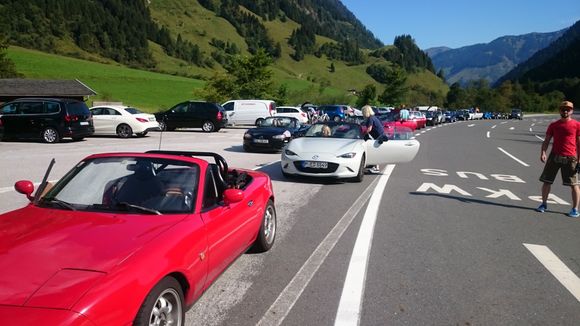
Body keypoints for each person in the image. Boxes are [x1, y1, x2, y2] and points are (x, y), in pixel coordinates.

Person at [536, 100, 580, 217]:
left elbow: (579, 143)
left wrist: (579, 160)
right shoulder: (554, 125)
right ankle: (543, 204)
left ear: (571, 111)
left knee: (574, 184)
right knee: (546, 182)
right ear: (560, 110)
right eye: (563, 109)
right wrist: (543, 152)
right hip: (554, 156)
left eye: (568, 109)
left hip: (571, 158)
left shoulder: (577, 125)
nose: (565, 111)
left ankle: (575, 209)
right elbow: (546, 140)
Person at [361, 105, 385, 173]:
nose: (362, 113)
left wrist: (362, 134)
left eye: (363, 112)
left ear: (366, 112)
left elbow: (369, 129)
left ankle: (376, 168)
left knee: (375, 151)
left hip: (379, 137)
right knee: (375, 150)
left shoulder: (370, 118)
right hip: (379, 136)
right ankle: (375, 166)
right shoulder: (372, 117)